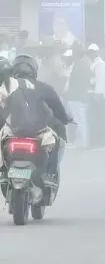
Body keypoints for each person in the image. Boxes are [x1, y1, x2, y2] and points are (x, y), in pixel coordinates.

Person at [7, 55, 71, 183]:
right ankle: (50, 174)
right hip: (38, 131)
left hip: (13, 130)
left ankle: (4, 173)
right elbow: (58, 108)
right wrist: (65, 119)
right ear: (34, 70)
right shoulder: (43, 87)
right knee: (56, 142)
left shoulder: (6, 86)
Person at [65, 44, 93, 148]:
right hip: (80, 96)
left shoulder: (81, 65)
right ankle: (81, 142)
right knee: (79, 120)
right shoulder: (85, 63)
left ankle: (85, 143)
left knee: (80, 121)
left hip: (77, 96)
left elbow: (76, 81)